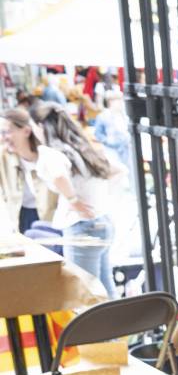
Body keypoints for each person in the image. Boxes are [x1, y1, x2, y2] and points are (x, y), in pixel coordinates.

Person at [2, 105, 118, 296]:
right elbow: (116, 171)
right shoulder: (75, 146)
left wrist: (73, 200)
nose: (4, 136)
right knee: (104, 288)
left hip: (77, 225)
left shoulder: (49, 153)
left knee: (85, 293)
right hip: (97, 221)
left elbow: (58, 175)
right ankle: (121, 325)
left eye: (7, 131)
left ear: (35, 127)